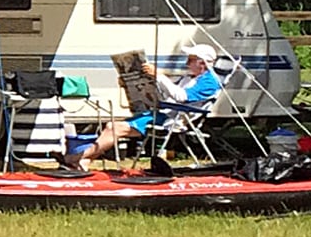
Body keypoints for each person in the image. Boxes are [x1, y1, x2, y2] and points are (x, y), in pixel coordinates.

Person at [71, 44, 226, 168]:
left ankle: (77, 157)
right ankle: (84, 161)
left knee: (114, 128)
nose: (186, 63)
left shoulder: (209, 81)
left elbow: (182, 97)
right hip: (164, 112)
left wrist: (159, 75)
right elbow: (169, 95)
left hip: (172, 119)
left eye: (190, 60)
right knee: (112, 126)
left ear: (202, 62)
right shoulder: (191, 77)